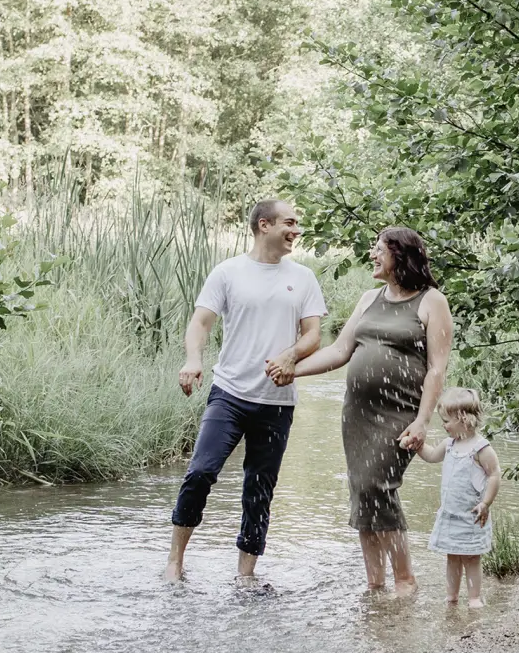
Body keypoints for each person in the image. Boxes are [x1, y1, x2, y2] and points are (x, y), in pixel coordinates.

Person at [164, 199, 327, 584]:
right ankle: (175, 561)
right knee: (200, 472)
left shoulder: (303, 277)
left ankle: (245, 575)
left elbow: (314, 335)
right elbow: (201, 322)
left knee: (260, 487)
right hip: (230, 392)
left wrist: (290, 356)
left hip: (277, 402)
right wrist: (192, 359)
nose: (296, 230)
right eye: (290, 222)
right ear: (264, 225)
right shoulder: (228, 271)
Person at [290, 226, 452, 594]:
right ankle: (375, 583)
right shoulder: (368, 298)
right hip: (358, 415)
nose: (372, 255)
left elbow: (437, 369)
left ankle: (405, 578)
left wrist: (423, 421)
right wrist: (291, 371)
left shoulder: (431, 301)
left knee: (377, 486)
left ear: (400, 255)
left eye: (379, 249)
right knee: (362, 491)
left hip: (400, 413)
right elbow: (338, 352)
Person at [419, 387, 501, 606]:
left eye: (446, 420)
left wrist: (486, 502)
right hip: (451, 515)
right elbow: (429, 456)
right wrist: (417, 445)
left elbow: (494, 475)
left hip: (472, 516)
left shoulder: (481, 448)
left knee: (472, 558)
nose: (443, 425)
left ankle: (474, 597)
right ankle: (451, 596)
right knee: (452, 557)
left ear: (462, 419)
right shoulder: (449, 445)